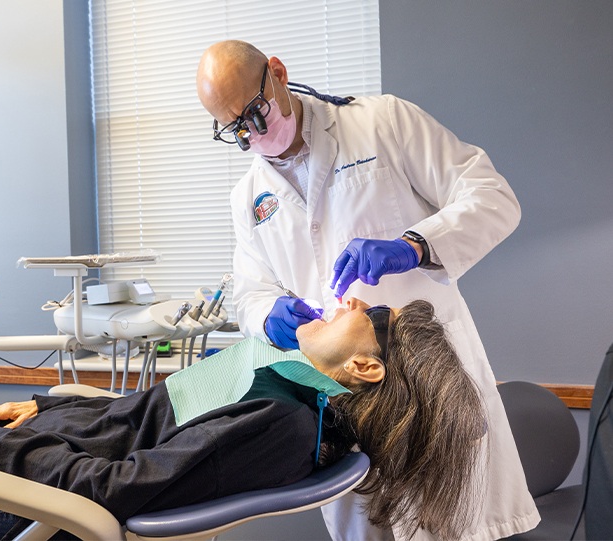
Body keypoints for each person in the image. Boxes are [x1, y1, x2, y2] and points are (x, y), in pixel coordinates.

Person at [196, 40, 538, 540]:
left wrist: (415, 245)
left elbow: (493, 197)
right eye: (235, 129)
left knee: (448, 523)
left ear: (277, 73)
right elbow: (251, 293)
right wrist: (269, 314)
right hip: (346, 406)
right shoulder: (247, 197)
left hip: (428, 389)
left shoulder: (383, 122)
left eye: (255, 112)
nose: (253, 134)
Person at [0, 298, 483, 541]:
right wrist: (44, 409)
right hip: (42, 453)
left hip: (26, 500)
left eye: (372, 314)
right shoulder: (278, 381)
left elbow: (116, 486)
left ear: (364, 366)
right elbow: (136, 417)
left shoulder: (278, 420)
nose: (354, 301)